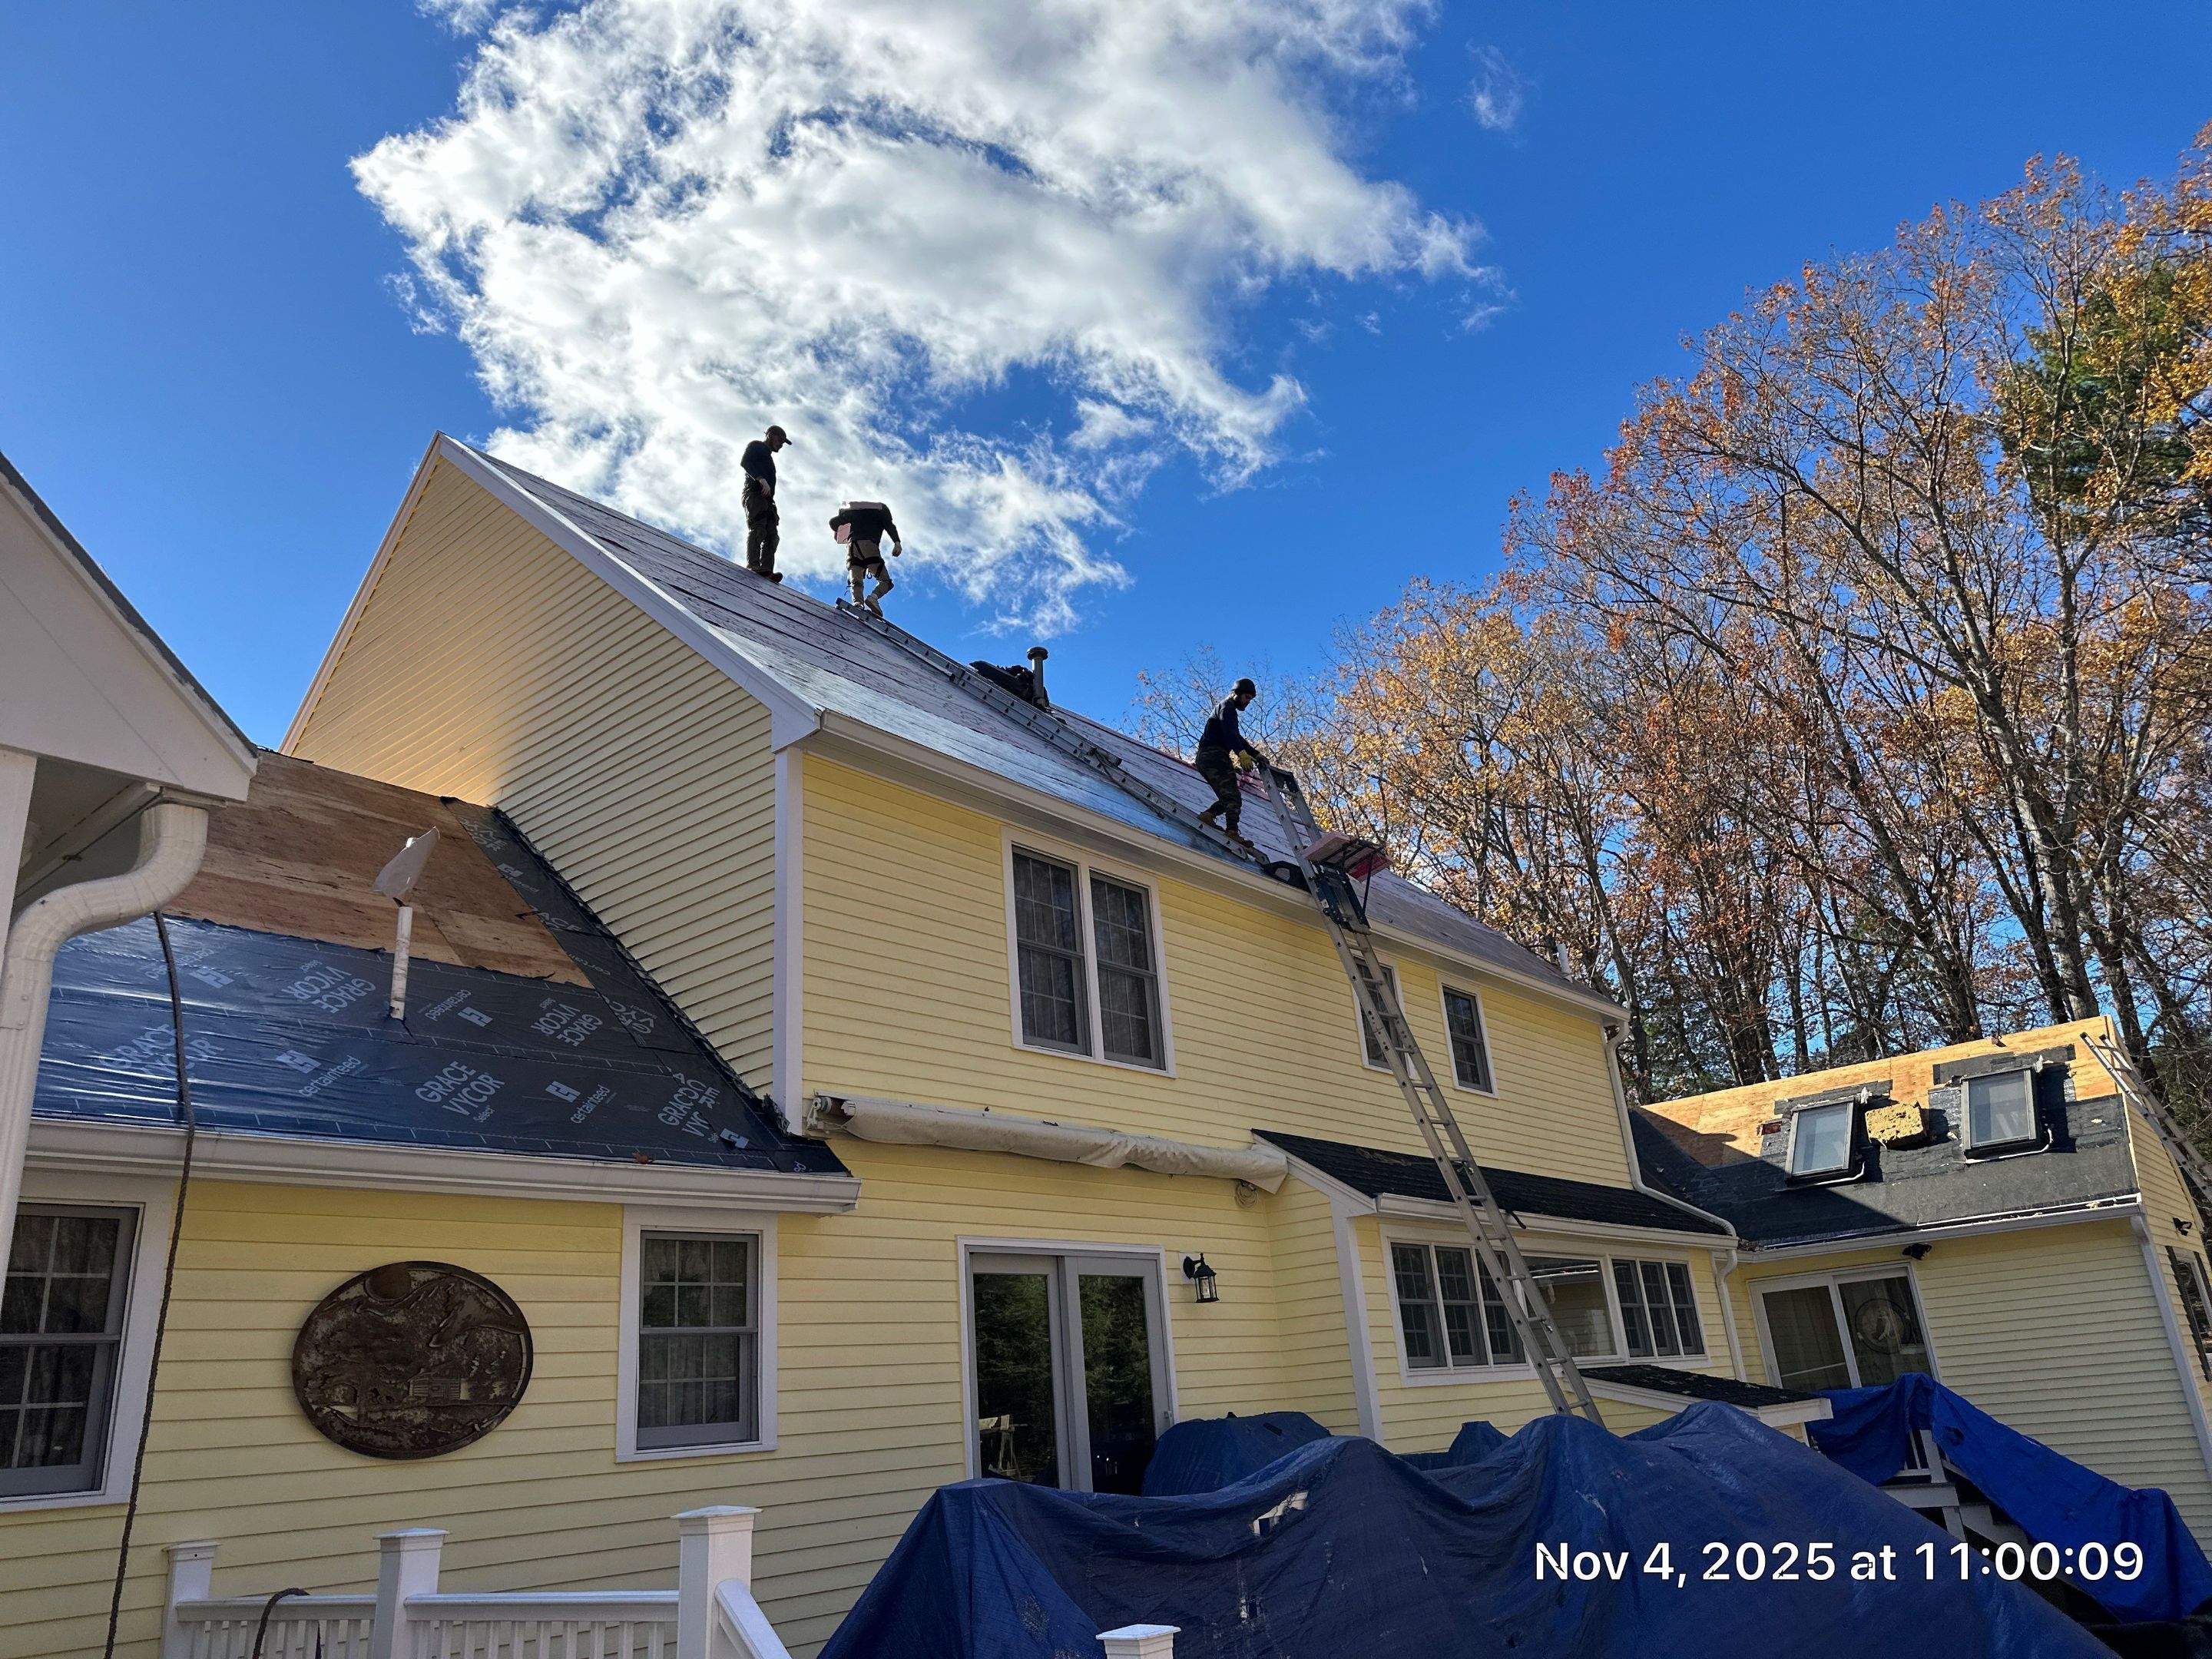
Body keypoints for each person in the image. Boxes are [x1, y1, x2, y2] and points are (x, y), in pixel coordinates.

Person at [1194, 677, 1266, 850]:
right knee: (1233, 798)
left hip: (1209, 757)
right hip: (1214, 756)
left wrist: (1255, 754)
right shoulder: (1227, 707)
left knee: (1229, 797)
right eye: (1246, 698)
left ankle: (1208, 815)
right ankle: (1232, 831)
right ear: (1236, 694)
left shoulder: (1226, 709)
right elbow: (1230, 734)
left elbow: (1236, 736)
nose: (1247, 702)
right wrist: (1241, 753)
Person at [830, 500, 901, 615]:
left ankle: (858, 604)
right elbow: (889, 526)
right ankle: (873, 597)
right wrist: (897, 543)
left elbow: (834, 523)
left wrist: (840, 526)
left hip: (852, 547)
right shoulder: (880, 512)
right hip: (869, 545)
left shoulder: (852, 514)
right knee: (886, 581)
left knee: (856, 580)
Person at [740, 426, 790, 581]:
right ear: (770, 435)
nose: (781, 444)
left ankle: (767, 569)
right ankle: (754, 564)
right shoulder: (756, 446)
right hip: (754, 495)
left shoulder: (768, 457)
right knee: (758, 528)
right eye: (780, 440)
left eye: (783, 442)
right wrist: (761, 479)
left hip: (767, 501)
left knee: (772, 535)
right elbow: (745, 462)